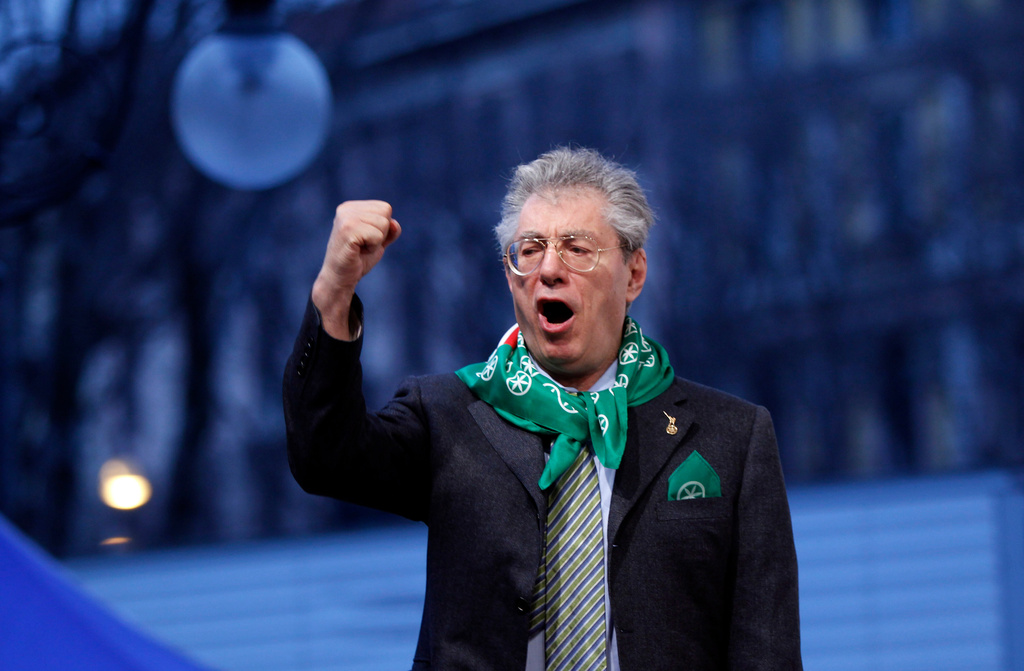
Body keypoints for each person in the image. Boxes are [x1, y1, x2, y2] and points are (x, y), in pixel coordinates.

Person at [283, 147, 802, 670]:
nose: (549, 269)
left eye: (577, 248)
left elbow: (767, 652)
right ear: (511, 276)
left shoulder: (730, 436)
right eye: (529, 250)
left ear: (634, 274)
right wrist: (334, 291)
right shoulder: (448, 415)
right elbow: (324, 457)